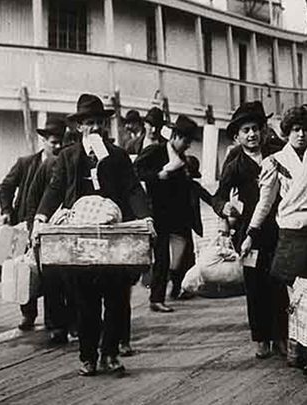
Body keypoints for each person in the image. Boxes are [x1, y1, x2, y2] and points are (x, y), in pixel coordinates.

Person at [33, 93, 155, 377]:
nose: (95, 128)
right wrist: (40, 218)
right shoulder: (68, 156)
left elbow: (133, 189)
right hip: (81, 239)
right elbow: (55, 189)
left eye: (99, 122)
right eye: (89, 123)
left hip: (113, 237)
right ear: (79, 127)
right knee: (85, 302)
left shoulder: (118, 156)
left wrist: (145, 218)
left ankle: (110, 353)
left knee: (116, 300)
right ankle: (88, 355)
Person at [241, 104, 307, 376]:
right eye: (296, 130)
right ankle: (299, 345)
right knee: (296, 297)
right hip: (292, 235)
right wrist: (251, 233)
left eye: (306, 130)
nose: (301, 135)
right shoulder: (274, 163)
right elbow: (265, 202)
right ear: (286, 132)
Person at [212, 101, 287, 359]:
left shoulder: (278, 154)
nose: (252, 134)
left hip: (279, 229)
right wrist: (225, 208)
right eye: (245, 130)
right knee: (255, 287)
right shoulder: (235, 164)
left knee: (279, 283)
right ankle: (261, 339)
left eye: (255, 128)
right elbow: (218, 196)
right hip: (249, 235)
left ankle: (281, 336)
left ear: (263, 130)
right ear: (237, 136)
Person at [0, 116, 70, 338]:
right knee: (24, 268)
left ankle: (54, 322)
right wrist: (6, 210)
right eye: (53, 142)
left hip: (51, 225)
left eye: (61, 142)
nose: (57, 146)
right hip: (24, 222)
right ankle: (28, 314)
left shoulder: (65, 162)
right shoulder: (26, 162)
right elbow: (7, 186)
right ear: (44, 141)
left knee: (49, 273)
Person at [135, 114, 203, 313]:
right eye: (184, 140)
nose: (186, 145)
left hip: (179, 214)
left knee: (185, 253)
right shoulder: (156, 151)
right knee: (162, 257)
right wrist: (157, 176)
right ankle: (156, 298)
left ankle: (178, 288)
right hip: (159, 213)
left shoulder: (182, 159)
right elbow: (136, 170)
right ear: (174, 136)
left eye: (189, 141)